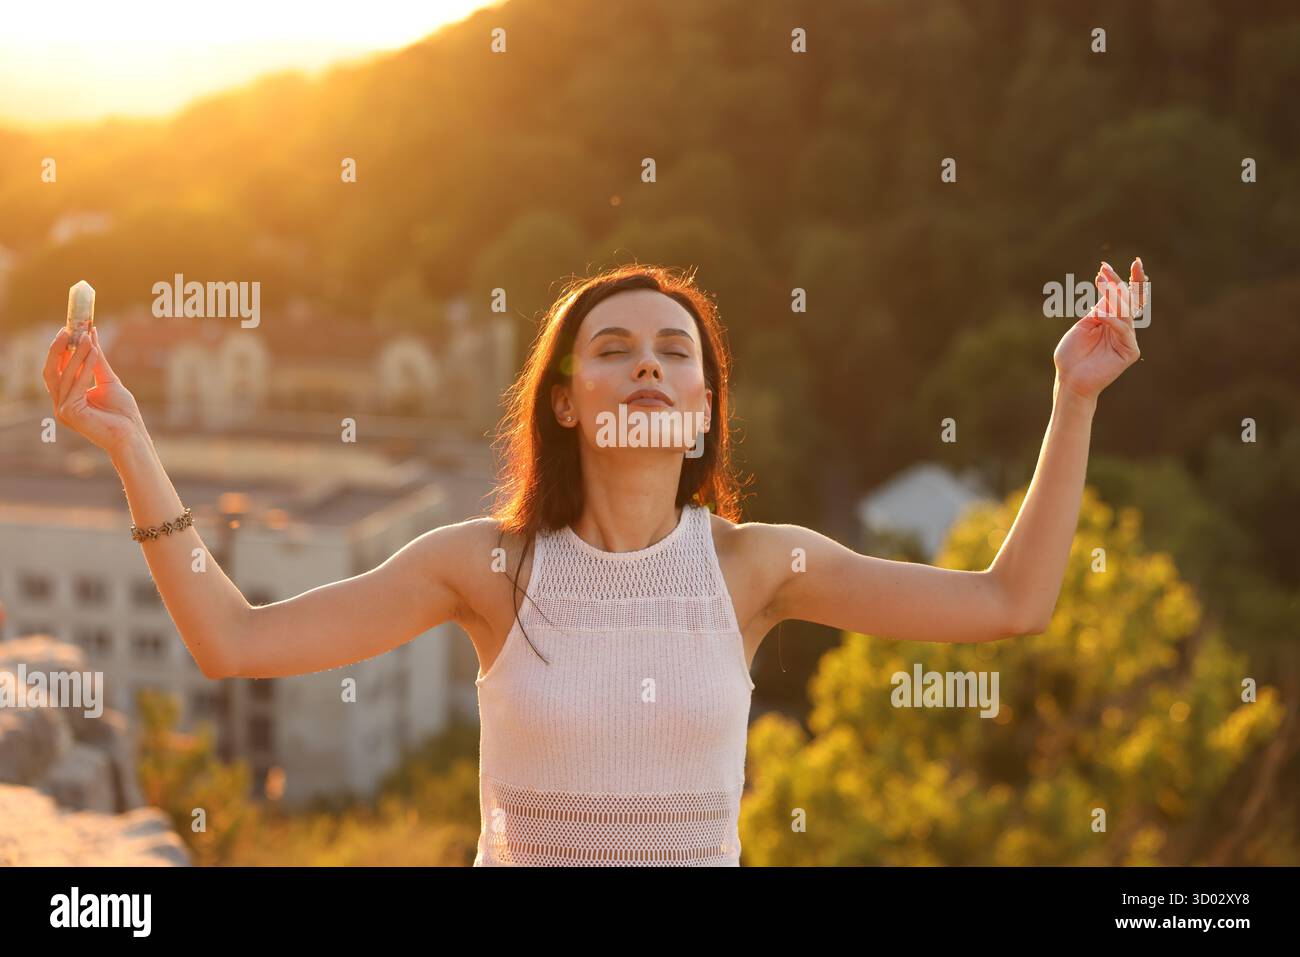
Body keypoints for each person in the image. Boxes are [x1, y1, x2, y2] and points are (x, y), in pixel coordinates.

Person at [41, 259, 1146, 866]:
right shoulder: (483, 568)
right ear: (565, 402)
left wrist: (1071, 398)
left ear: (705, 410)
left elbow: (1011, 601)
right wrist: (133, 445)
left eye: (676, 352)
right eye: (612, 350)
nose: (649, 368)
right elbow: (234, 642)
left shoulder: (760, 568)